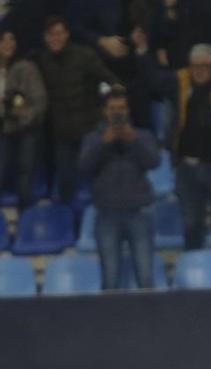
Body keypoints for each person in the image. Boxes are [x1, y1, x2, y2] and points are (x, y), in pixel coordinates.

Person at [133, 35, 211, 271]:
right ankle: (195, 273)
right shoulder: (180, 83)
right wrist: (143, 51)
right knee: (191, 224)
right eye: (195, 66)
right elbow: (152, 79)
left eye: (205, 66)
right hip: (187, 168)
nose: (199, 71)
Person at [78, 86, 160, 290]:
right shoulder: (92, 138)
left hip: (139, 212)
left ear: (128, 110)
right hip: (107, 214)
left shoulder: (142, 135)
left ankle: (151, 322)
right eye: (112, 108)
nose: (117, 112)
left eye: (121, 108)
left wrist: (133, 140)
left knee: (145, 277)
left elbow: (154, 162)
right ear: (104, 111)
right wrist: (103, 143)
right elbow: (83, 166)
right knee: (110, 279)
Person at [38, 15, 119, 204]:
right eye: (51, 34)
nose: (55, 38)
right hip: (62, 134)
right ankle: (70, 226)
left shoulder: (84, 55)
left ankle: (97, 221)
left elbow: (110, 81)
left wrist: (107, 108)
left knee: (96, 179)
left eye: (59, 33)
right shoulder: (42, 61)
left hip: (89, 129)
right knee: (65, 183)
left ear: (66, 35)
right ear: (45, 37)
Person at [0, 29, 47, 210]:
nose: (8, 44)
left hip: (25, 130)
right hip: (3, 131)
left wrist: (20, 113)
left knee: (25, 172)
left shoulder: (27, 67)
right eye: (3, 40)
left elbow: (40, 103)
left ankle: (25, 215)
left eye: (11, 39)